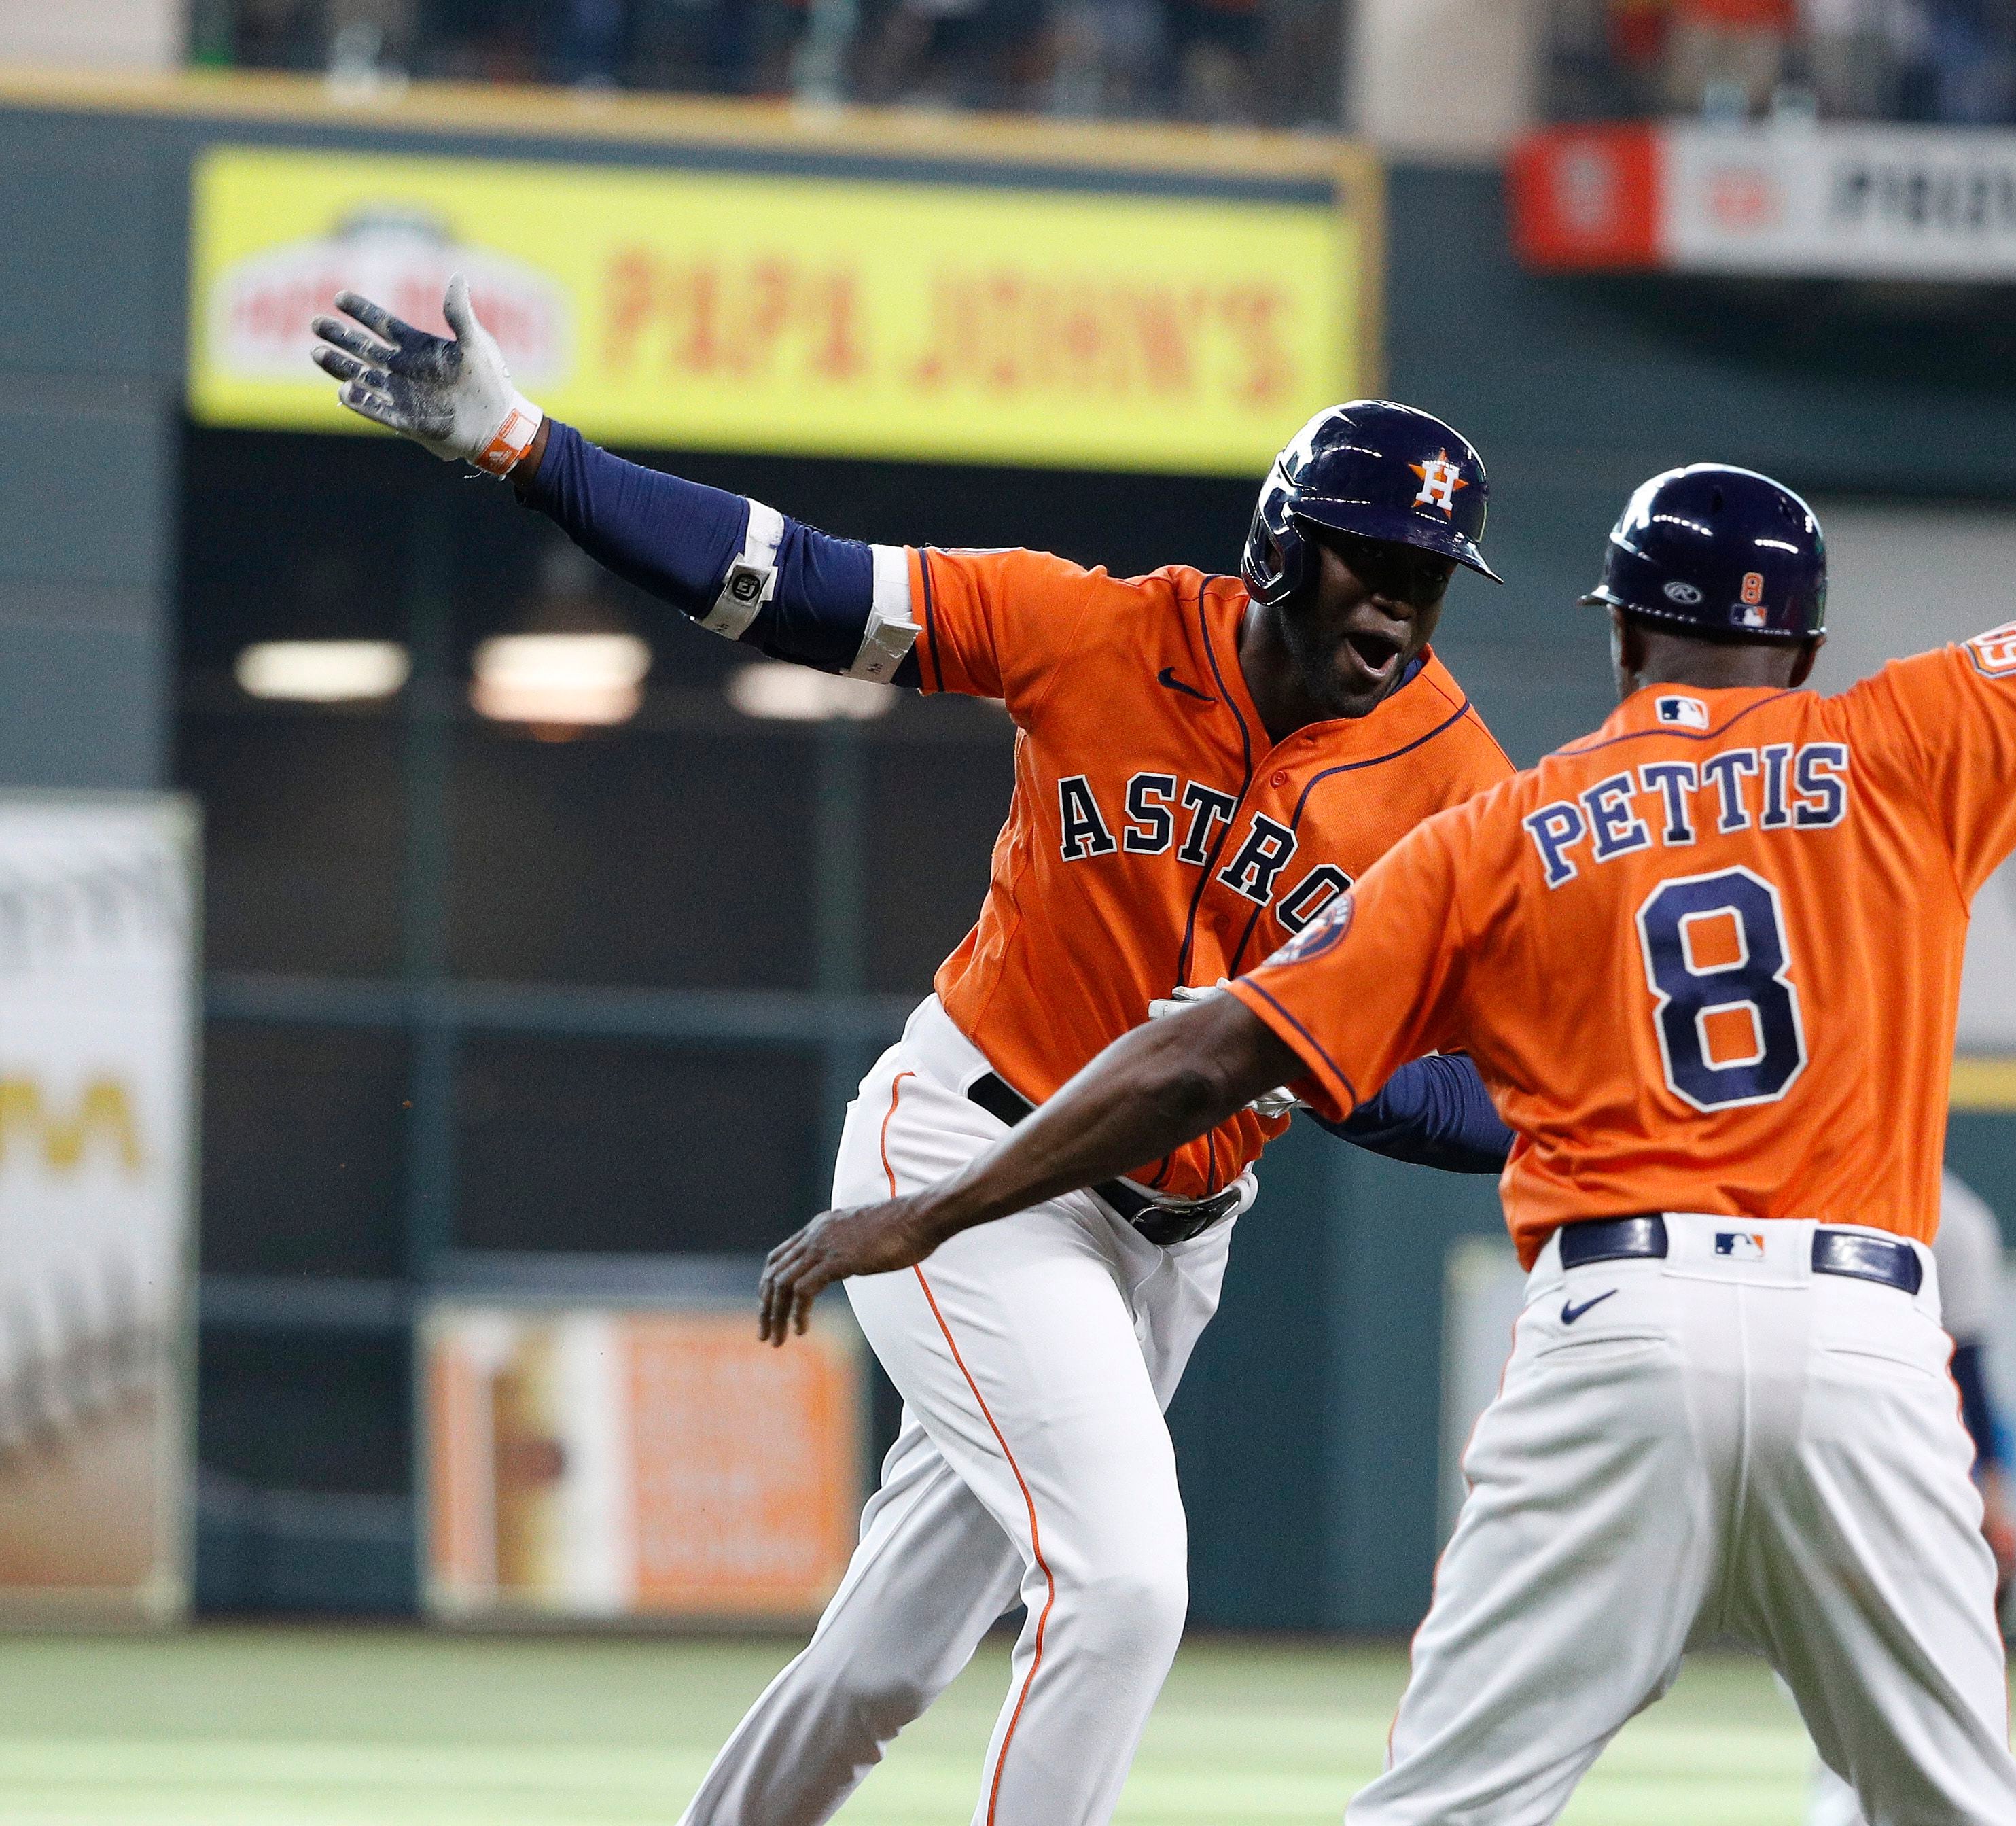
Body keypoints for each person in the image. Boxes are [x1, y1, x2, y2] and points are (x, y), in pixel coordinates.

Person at [754, 48, 2016, 1825]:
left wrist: (927, 1203)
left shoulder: (1506, 823)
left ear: (1621, 634)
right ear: (1805, 647)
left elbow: (1206, 1046)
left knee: (1442, 1809)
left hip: (1614, 1320)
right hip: (1863, 1333)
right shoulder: (1911, 743)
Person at [308, 296, 1519, 1825]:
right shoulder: (1096, 630)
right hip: (969, 1158)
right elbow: (788, 582)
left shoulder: (1452, 775)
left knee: (881, 1663)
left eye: (1428, 580)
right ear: (1282, 545)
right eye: (1376, 563)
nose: (1400, 610)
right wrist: (520, 444)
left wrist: (1319, 1060)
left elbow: (1509, 1089)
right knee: (1126, 1579)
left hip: (1171, 1246)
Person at [1806, 1167, 2016, 1826]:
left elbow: (1969, 1371)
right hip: (1886, 1456)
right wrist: (1994, 1499)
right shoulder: (1955, 1216)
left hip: (1850, 1448)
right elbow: (1969, 1376)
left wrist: (1993, 1498)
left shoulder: (1953, 1218)